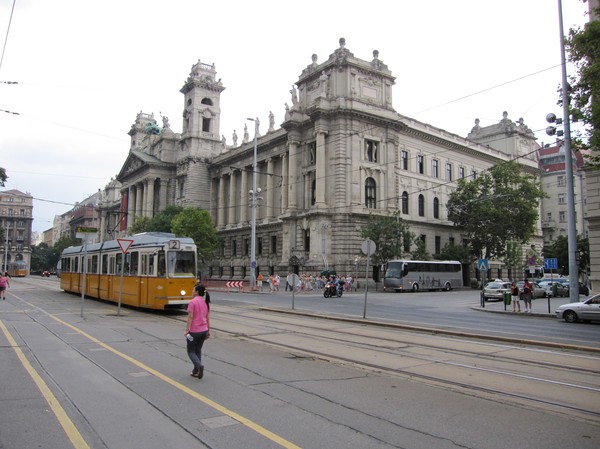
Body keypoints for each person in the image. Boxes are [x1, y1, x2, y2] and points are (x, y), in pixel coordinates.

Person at [185, 283, 210, 379]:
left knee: (191, 351)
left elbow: (190, 317)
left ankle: (199, 366)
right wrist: (208, 331)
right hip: (204, 331)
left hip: (194, 331)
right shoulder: (205, 302)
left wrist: (187, 330)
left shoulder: (192, 302)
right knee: (198, 350)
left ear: (196, 292)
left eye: (193, 290)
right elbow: (208, 318)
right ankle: (196, 371)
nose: (192, 291)